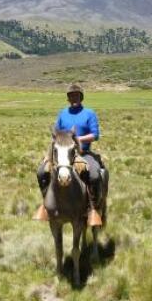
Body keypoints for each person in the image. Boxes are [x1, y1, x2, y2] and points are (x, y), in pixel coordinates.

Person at [35, 84, 104, 225]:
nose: (74, 98)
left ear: (81, 97)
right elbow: (56, 134)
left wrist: (78, 139)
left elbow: (95, 135)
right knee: (42, 172)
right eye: (71, 96)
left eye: (77, 95)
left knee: (95, 175)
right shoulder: (63, 114)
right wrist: (49, 154)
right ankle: (46, 205)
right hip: (62, 154)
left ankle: (92, 209)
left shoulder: (89, 113)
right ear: (68, 98)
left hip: (83, 153)